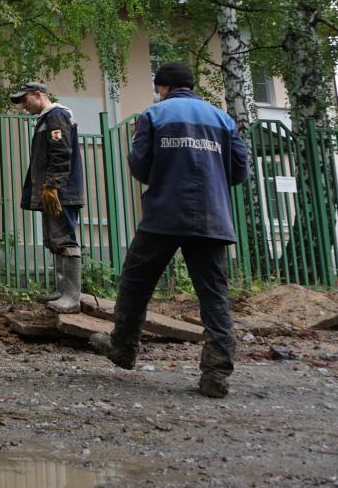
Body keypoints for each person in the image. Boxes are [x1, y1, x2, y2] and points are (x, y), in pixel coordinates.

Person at [91, 61, 250, 398]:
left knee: (136, 281)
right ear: (191, 86)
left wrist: (163, 175)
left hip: (164, 214)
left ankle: (123, 348)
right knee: (213, 296)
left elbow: (139, 164)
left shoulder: (154, 115)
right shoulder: (223, 118)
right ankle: (216, 373)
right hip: (212, 217)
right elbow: (239, 171)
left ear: (162, 87)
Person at [12, 82, 85, 313]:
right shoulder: (47, 119)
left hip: (60, 192)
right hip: (52, 191)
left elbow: (61, 152)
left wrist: (53, 185)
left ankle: (71, 297)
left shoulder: (56, 116)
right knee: (55, 239)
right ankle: (63, 290)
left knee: (64, 239)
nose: (24, 106)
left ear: (38, 94)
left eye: (25, 100)